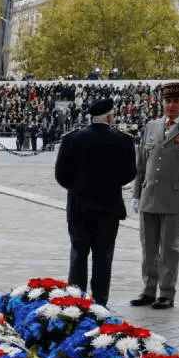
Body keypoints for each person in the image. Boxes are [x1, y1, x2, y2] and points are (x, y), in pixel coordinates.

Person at [130, 81, 179, 310]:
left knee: (169, 249)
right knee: (148, 247)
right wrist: (137, 193)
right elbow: (142, 164)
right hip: (149, 196)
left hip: (176, 199)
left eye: (176, 101)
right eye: (167, 101)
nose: (171, 105)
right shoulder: (152, 126)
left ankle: (166, 293)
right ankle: (148, 290)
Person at [53, 97, 137, 307]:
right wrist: (109, 185)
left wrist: (78, 188)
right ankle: (100, 301)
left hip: (79, 207)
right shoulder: (123, 140)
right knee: (103, 256)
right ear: (109, 117)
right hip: (109, 207)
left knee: (78, 254)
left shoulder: (73, 139)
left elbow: (61, 175)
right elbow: (129, 173)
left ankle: (76, 300)